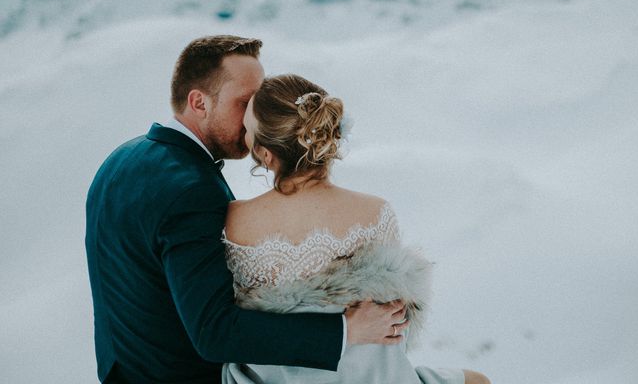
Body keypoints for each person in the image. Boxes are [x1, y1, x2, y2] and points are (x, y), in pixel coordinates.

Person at [85, 36, 406, 383]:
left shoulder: (120, 160)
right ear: (199, 102)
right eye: (245, 102)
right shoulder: (193, 189)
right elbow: (214, 331)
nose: (256, 114)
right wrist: (345, 330)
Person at [220, 74, 492, 384]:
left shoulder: (236, 221)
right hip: (368, 375)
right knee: (477, 380)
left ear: (265, 154)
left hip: (274, 375)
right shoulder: (375, 212)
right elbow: (398, 326)